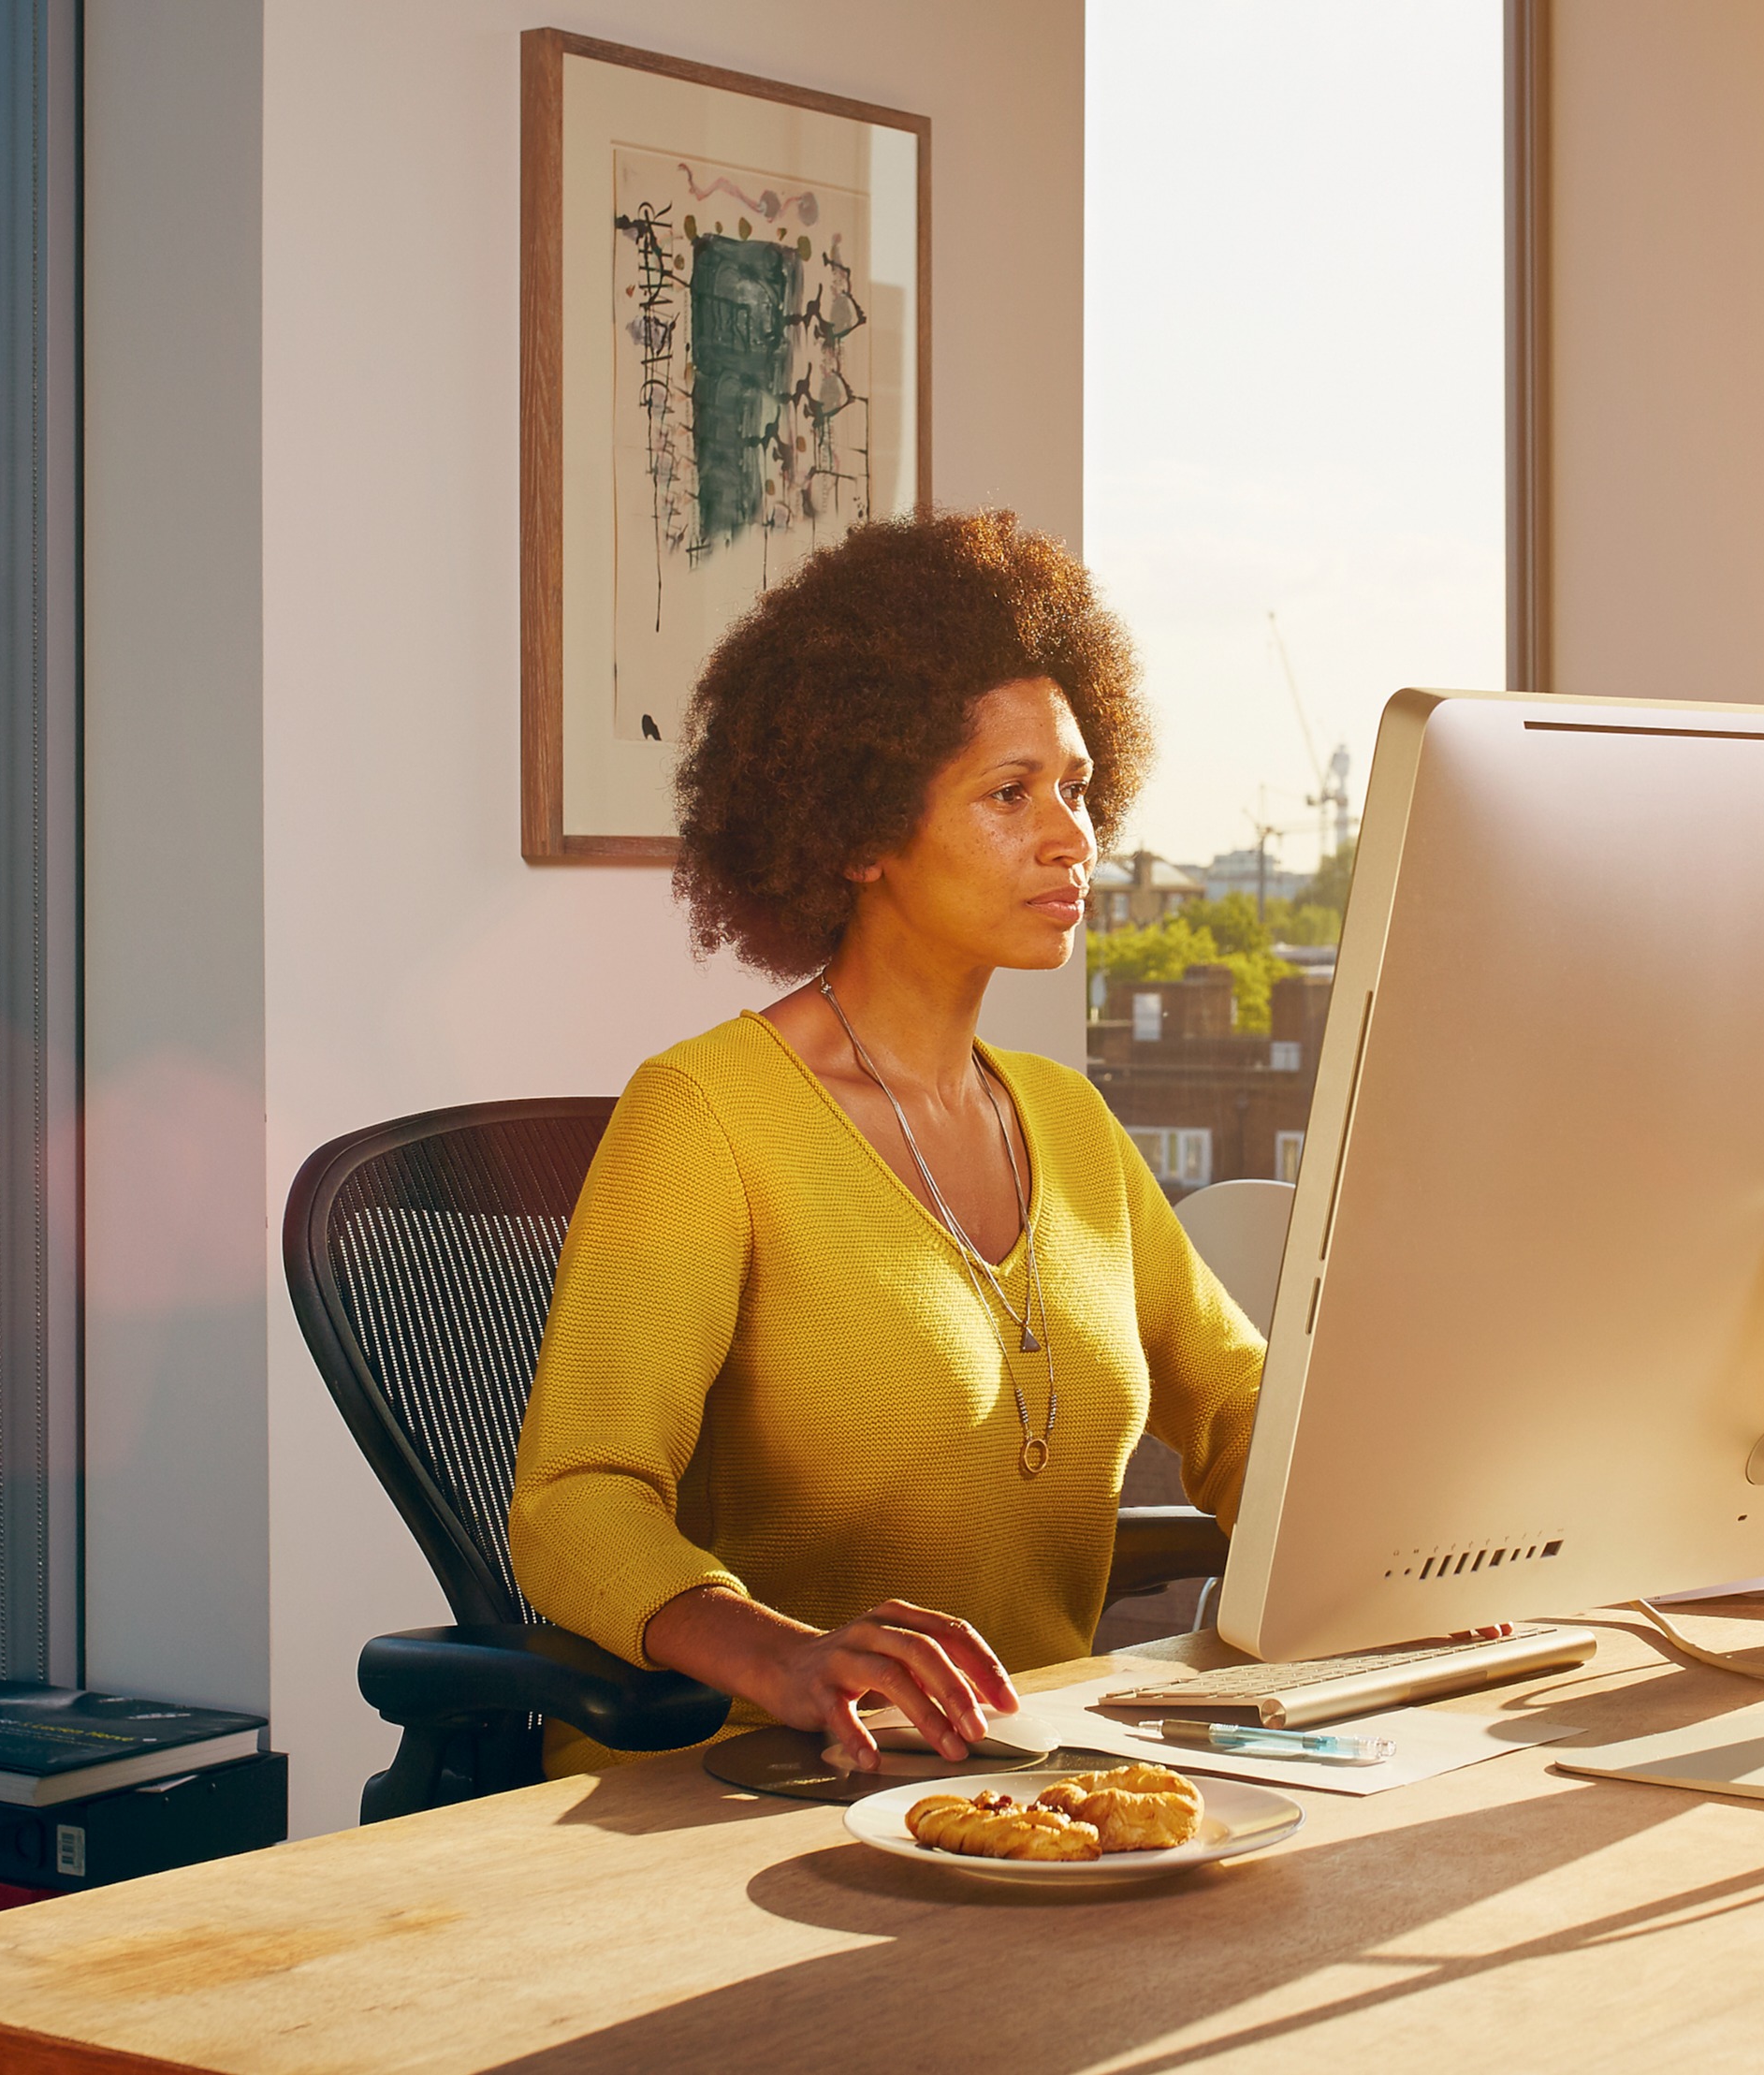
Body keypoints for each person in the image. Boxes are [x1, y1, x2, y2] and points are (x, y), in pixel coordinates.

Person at [506, 511, 1265, 1775]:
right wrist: (778, 1651)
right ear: (856, 833)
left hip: (1023, 1785)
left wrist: (1424, 1544)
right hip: (752, 1787)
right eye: (1009, 793)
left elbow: (1240, 1407)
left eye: (1076, 788)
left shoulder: (1066, 1122)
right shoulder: (705, 1115)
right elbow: (574, 1499)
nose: (1073, 836)